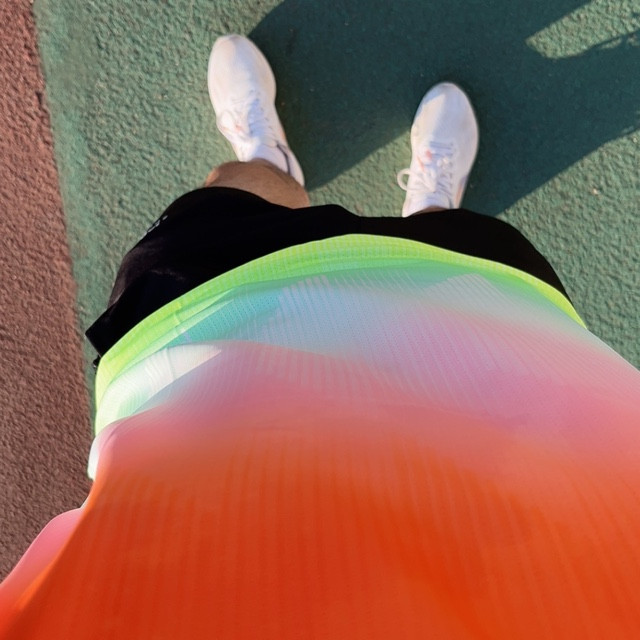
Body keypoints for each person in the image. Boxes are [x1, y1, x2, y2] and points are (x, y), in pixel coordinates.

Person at [1, 34, 639, 639]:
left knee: (234, 193)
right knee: (456, 246)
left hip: (199, 385)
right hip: (515, 419)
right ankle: (428, 211)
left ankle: (268, 161)